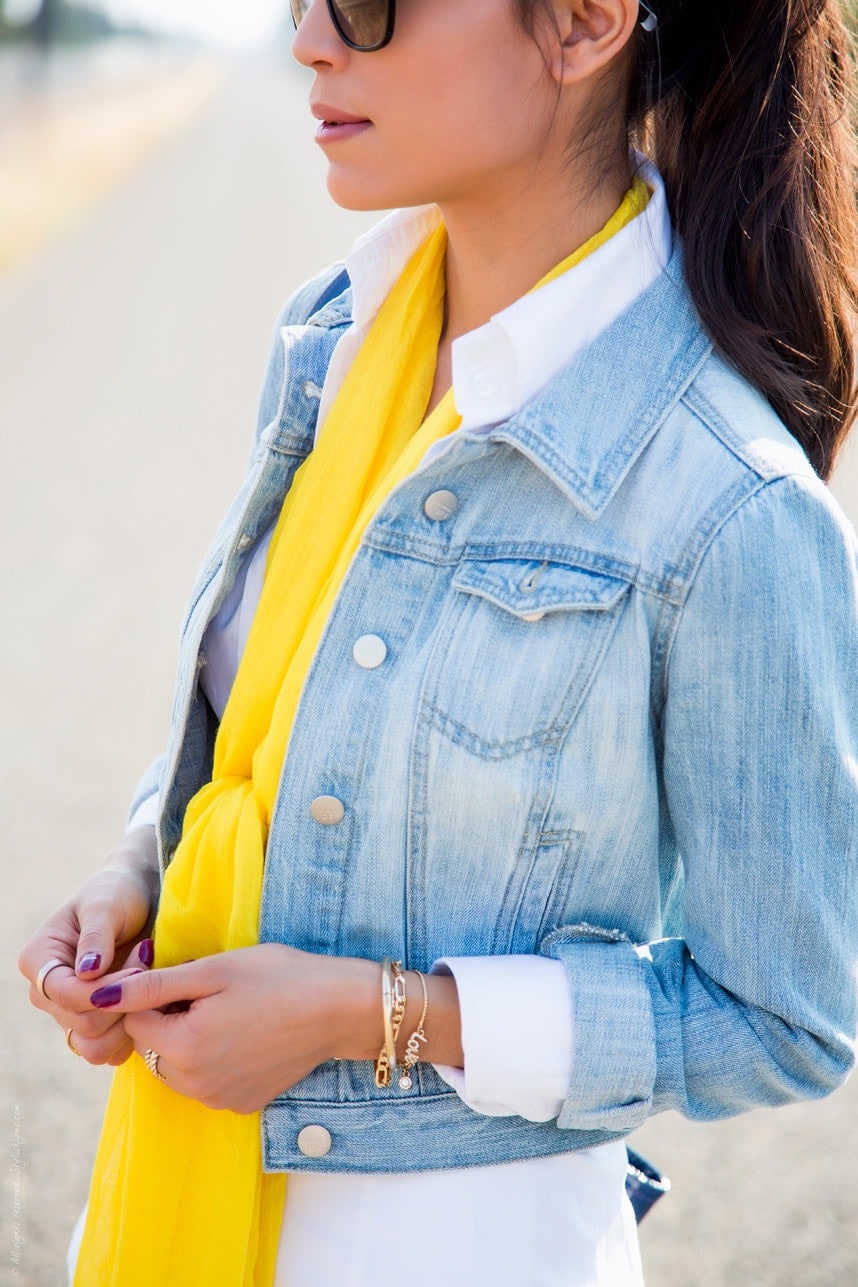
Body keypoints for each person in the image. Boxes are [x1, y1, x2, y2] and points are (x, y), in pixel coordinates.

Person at [19, 0, 858, 1283]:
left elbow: (784, 1019)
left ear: (582, 25)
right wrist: (145, 869)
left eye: (367, 2)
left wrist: (374, 1017)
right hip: (170, 1201)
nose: (310, 40)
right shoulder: (336, 344)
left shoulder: (726, 499)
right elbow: (278, 727)